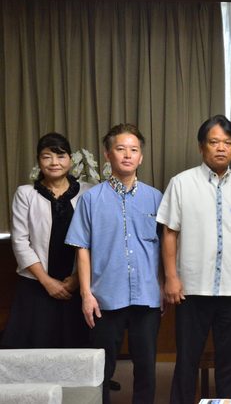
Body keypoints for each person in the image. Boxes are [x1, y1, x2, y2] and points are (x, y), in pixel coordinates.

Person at [157, 115, 231, 403]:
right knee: (188, 358)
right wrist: (171, 277)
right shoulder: (181, 183)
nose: (221, 148)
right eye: (214, 142)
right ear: (202, 147)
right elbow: (169, 233)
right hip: (192, 289)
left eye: (227, 143)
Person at [65, 124, 162, 404]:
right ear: (108, 155)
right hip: (104, 298)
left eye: (134, 150)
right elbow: (82, 248)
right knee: (102, 371)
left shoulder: (156, 197)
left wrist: (164, 286)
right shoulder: (91, 199)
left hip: (147, 296)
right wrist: (85, 294)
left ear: (141, 157)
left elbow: (165, 248)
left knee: (146, 369)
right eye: (120, 149)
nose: (127, 155)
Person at [2, 133, 90, 348]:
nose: (54, 163)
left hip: (77, 282)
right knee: (33, 346)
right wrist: (47, 281)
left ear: (70, 159)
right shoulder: (26, 194)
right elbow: (21, 242)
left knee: (76, 344)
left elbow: (95, 239)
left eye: (60, 156)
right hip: (36, 283)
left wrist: (77, 277)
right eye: (46, 157)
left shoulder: (88, 191)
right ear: (39, 161)